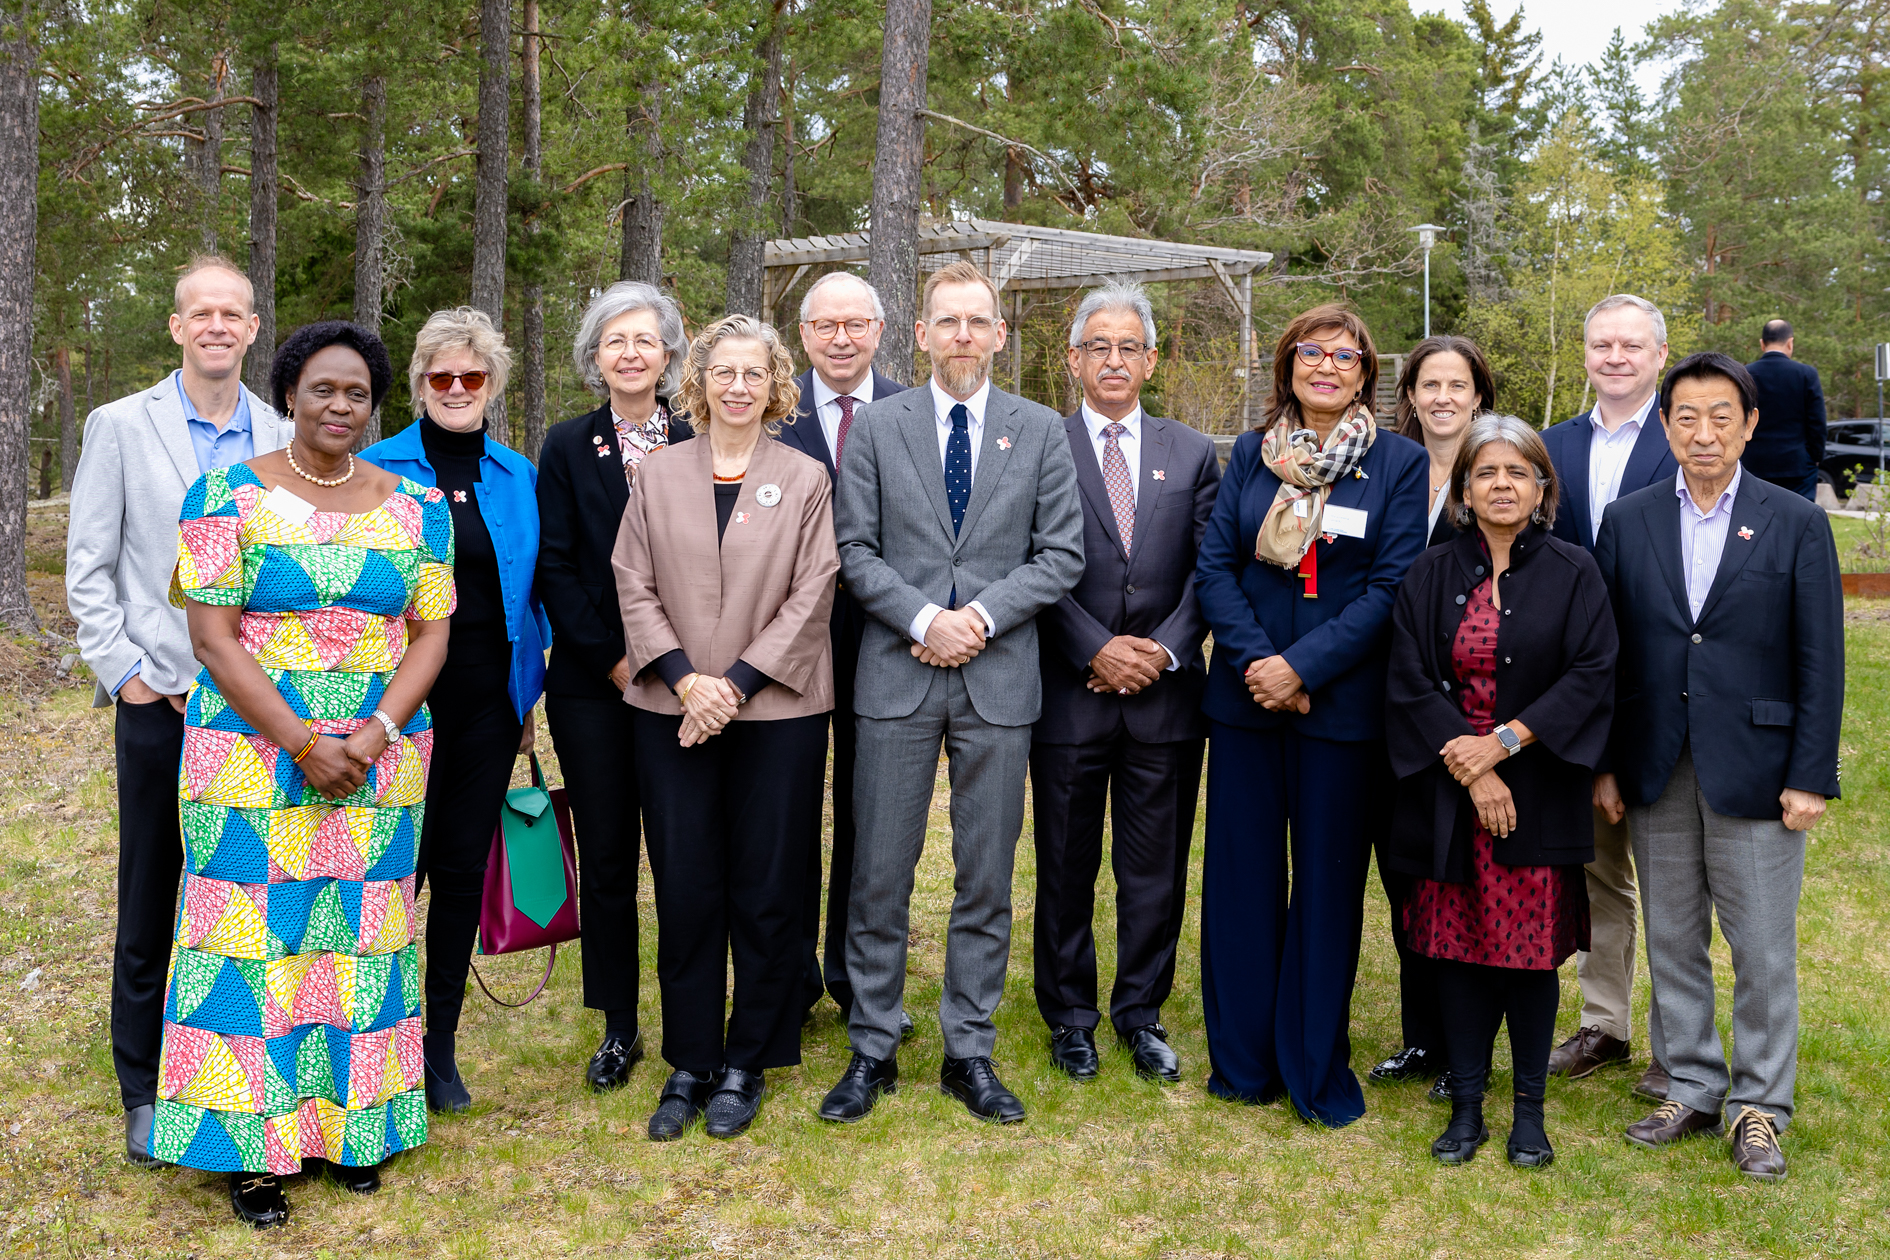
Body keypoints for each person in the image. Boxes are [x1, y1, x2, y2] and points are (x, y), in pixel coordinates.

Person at [151, 321, 452, 1226]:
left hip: (378, 760)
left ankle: (348, 1133)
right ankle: (251, 1152)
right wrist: (301, 740)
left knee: (359, 944)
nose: (339, 405)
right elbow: (212, 636)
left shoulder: (417, 505)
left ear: (373, 405)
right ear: (289, 393)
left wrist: (374, 731)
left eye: (357, 392)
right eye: (323, 388)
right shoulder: (223, 497)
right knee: (255, 945)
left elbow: (431, 631)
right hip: (249, 758)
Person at [819, 259, 1083, 1125]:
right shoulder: (880, 428)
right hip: (896, 676)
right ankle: (872, 1048)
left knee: (985, 877)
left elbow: (1059, 556)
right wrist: (928, 618)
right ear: (922, 334)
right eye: (948, 322)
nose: (963, 336)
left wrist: (979, 620)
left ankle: (969, 1049)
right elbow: (854, 551)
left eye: (979, 322)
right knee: (879, 873)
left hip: (999, 681)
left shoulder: (1040, 430)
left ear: (1000, 335)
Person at [64, 255, 291, 1169]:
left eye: (232, 313)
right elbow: (89, 563)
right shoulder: (120, 426)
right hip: (162, 697)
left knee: (244, 888)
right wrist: (125, 674)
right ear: (175, 326)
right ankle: (145, 1087)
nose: (216, 326)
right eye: (200, 312)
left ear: (251, 327)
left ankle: (243, 1063)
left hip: (255, 707)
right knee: (153, 884)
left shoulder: (282, 431)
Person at [1595, 351, 1843, 1181]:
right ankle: (1693, 1082)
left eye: (1721, 417)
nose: (1704, 433)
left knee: (1763, 946)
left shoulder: (1795, 521)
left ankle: (1761, 1106)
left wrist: (1810, 773)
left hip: (1761, 766)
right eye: (1687, 418)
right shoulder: (1627, 521)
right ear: (1665, 426)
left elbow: (1821, 658)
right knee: (1671, 935)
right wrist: (1605, 764)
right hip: (1656, 762)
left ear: (1749, 424)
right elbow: (1609, 655)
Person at [1194, 302, 1427, 1128]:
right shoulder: (1252, 458)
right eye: (1311, 352)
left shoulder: (1399, 464)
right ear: (1288, 364)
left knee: (1327, 888)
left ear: (1367, 372)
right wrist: (1263, 662)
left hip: (1342, 711)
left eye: (1345, 356)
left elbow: (1392, 586)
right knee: (1242, 883)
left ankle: (1310, 1061)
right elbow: (1216, 564)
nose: (1326, 366)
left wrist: (1304, 667)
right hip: (1248, 703)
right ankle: (1245, 1062)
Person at [612, 315, 838, 1140]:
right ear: (699, 382)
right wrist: (683, 678)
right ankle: (691, 1060)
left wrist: (734, 686)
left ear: (774, 385)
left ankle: (751, 1056)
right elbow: (630, 581)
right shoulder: (659, 475)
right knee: (685, 884)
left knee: (769, 885)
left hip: (776, 710)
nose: (737, 386)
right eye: (723, 373)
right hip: (670, 710)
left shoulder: (805, 477)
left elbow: (815, 591)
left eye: (753, 373)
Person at [1385, 413, 1618, 1169]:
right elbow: (1410, 678)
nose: (1502, 485)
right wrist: (1476, 766)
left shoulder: (1575, 570)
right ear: (1463, 489)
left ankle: (1529, 1115)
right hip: (1454, 792)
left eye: (1518, 472)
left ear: (1543, 486)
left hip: (1541, 787)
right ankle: (1464, 1109)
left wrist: (1507, 743)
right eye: (1486, 472)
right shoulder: (1430, 573)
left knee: (1526, 959)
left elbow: (1592, 671)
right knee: (1456, 952)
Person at [360, 307, 549, 1113]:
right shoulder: (374, 466)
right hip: (395, 703)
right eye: (442, 376)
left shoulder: (516, 474)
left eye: (472, 376)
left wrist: (530, 691)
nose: (457, 389)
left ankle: (438, 1046)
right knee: (393, 872)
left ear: (493, 385)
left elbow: (533, 589)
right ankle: (378, 1037)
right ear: (419, 384)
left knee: (463, 870)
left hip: (488, 704)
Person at [1032, 281, 1219, 1085]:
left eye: (1128, 346)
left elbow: (1212, 568)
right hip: (1070, 693)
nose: (1114, 359)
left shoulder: (1194, 451)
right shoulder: (1041, 444)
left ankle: (1140, 1012)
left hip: (1166, 701)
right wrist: (1095, 648)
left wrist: (1161, 651)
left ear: (1152, 359)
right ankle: (1070, 1016)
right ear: (1074, 360)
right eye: (1097, 346)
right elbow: (1022, 559)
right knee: (1065, 866)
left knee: (1155, 871)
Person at [535, 281, 693, 1093]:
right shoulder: (566, 446)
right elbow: (555, 567)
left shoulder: (703, 437)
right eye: (614, 342)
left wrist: (671, 669)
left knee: (681, 853)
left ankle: (690, 1015)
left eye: (645, 340)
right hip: (596, 685)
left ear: (669, 353)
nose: (631, 354)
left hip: (683, 684)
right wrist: (613, 661)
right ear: (595, 359)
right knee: (606, 853)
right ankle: (619, 1025)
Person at [1538, 293, 1678, 1098]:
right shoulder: (1552, 447)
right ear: (1585, 354)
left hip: (1660, 696)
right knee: (1596, 871)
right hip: (1571, 698)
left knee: (1669, 877)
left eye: (1631, 344)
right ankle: (1605, 1023)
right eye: (1602, 344)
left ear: (1659, 354)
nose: (1616, 356)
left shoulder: (1687, 440)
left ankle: (1677, 1041)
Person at [778, 271, 910, 1023]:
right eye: (826, 326)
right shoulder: (770, 409)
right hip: (789, 644)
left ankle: (860, 975)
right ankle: (790, 975)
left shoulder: (910, 411)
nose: (841, 339)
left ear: (879, 331)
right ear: (804, 335)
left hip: (884, 642)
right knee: (790, 811)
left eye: (855, 325)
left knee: (872, 816)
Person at [1373, 334, 1498, 1099]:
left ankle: (1467, 1053)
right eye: (1430, 385)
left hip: (1468, 717)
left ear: (1478, 395)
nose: (1444, 398)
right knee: (1408, 878)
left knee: (1467, 887)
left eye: (1458, 385)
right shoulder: (1388, 470)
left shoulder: (1501, 471)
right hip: (1392, 708)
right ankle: (1422, 1038)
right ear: (1410, 396)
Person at [1744, 320, 1827, 500]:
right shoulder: (1806, 374)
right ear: (1790, 342)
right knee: (1798, 522)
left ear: (1762, 343)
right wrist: (1815, 457)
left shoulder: (1745, 374)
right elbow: (1817, 422)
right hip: (1797, 465)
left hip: (1753, 464)